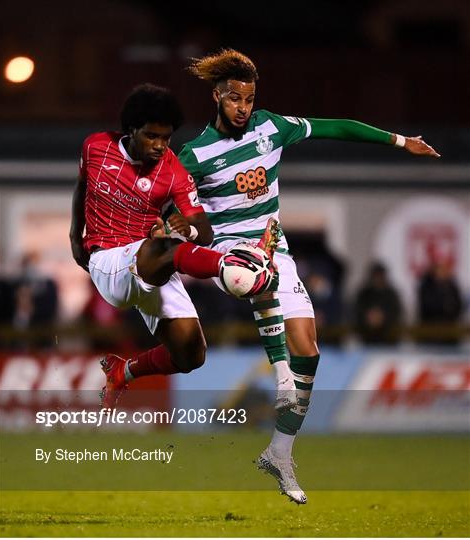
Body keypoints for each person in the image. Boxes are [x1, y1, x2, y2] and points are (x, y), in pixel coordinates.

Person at [178, 48, 440, 504]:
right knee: (251, 277)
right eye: (236, 99)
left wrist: (400, 142)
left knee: (309, 352)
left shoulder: (270, 127)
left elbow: (335, 126)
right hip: (228, 255)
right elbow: (169, 199)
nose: (244, 107)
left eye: (250, 98)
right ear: (217, 96)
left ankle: (280, 453)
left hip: (276, 251)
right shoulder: (195, 153)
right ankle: (280, 374)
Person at [69, 83, 278, 409]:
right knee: (161, 246)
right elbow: (82, 187)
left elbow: (204, 231)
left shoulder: (174, 173)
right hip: (110, 262)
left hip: (154, 262)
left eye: (166, 138)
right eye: (152, 136)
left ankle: (123, 370)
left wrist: (190, 231)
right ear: (131, 129)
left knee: (191, 355)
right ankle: (232, 266)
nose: (160, 146)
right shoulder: (96, 147)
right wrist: (74, 236)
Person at [354, 261, 402, 344]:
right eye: (376, 275)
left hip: (388, 341)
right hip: (366, 341)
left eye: (380, 275)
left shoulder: (391, 294)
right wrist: (367, 317)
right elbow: (356, 312)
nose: (378, 278)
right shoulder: (364, 294)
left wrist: (383, 318)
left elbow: (397, 312)